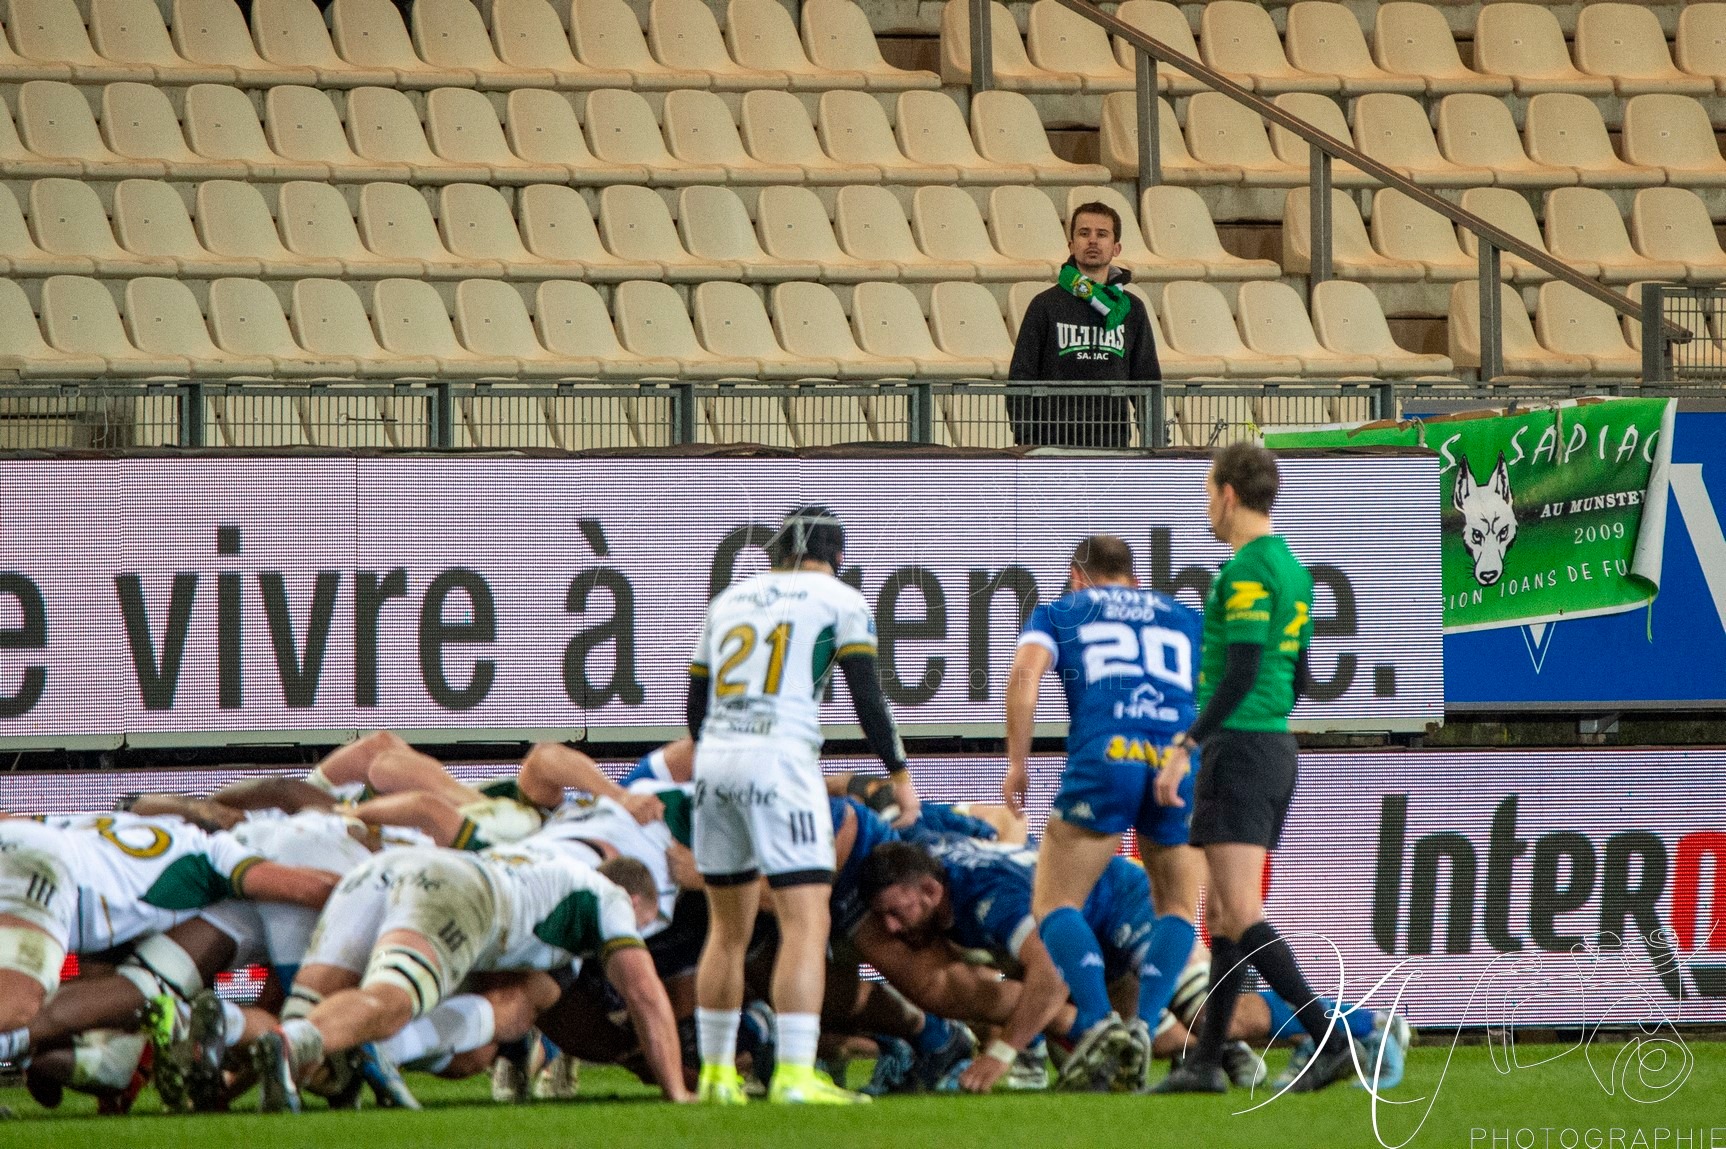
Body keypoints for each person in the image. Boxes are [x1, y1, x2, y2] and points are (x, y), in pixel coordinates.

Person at [686, 505, 918, 1105]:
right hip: (779, 759)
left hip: (714, 760)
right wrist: (899, 774)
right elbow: (869, 697)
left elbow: (694, 706)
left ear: (771, 556)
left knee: (727, 929)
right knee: (805, 921)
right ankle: (792, 1073)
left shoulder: (728, 599)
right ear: (837, 558)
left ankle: (715, 1076)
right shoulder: (838, 598)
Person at [1149, 442, 1354, 1094]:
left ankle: (1329, 1036)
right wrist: (1264, 723)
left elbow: (1240, 672)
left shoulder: (1242, 573)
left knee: (1239, 908)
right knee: (1223, 918)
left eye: (1208, 491)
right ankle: (1206, 1062)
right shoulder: (1294, 569)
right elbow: (1299, 675)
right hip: (1270, 745)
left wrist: (1187, 744)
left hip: (1240, 748)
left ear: (1229, 494)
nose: (1206, 505)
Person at [1001, 534, 1206, 1092]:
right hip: (1176, 761)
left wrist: (1017, 763)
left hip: (1106, 754)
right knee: (1179, 907)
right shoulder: (1184, 615)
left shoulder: (1062, 610)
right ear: (1135, 579)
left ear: (1077, 575)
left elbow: (1024, 678)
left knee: (1053, 902)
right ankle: (1142, 1026)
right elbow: (1218, 691)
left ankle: (1095, 1020)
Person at [1007, 201, 1160, 449]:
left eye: (1102, 234)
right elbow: (1021, 376)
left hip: (1113, 444)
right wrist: (1027, 442)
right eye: (1083, 233)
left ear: (1116, 247)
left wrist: (1154, 441)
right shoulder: (1044, 305)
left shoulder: (1131, 308)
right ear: (1071, 245)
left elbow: (1147, 380)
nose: (1092, 241)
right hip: (1052, 446)